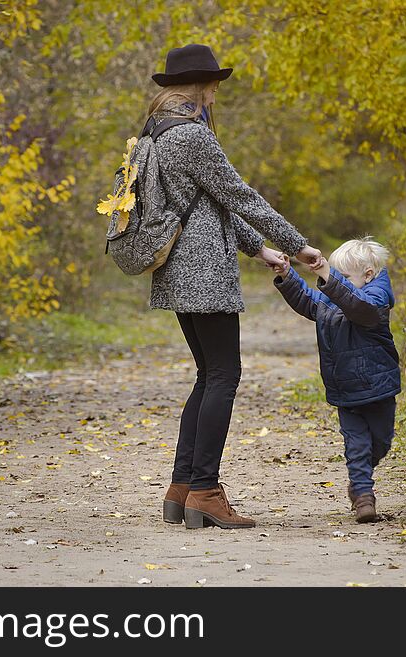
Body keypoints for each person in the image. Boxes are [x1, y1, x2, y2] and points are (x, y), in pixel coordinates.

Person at [148, 44, 322, 529]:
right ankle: (205, 490)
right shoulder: (193, 136)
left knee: (208, 374)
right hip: (203, 272)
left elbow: (208, 204)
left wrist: (260, 249)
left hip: (177, 269)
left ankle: (181, 486)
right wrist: (297, 244)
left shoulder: (156, 133)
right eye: (214, 86)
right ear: (201, 86)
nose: (216, 94)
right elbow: (240, 195)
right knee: (224, 374)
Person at [272, 237, 401, 522]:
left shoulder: (376, 298)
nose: (333, 282)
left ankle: (360, 479)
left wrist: (329, 277)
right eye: (335, 276)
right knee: (356, 445)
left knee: (381, 442)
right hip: (346, 388)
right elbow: (308, 300)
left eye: (341, 277)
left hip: (378, 388)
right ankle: (364, 496)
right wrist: (286, 274)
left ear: (367, 275)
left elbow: (359, 307)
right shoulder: (332, 298)